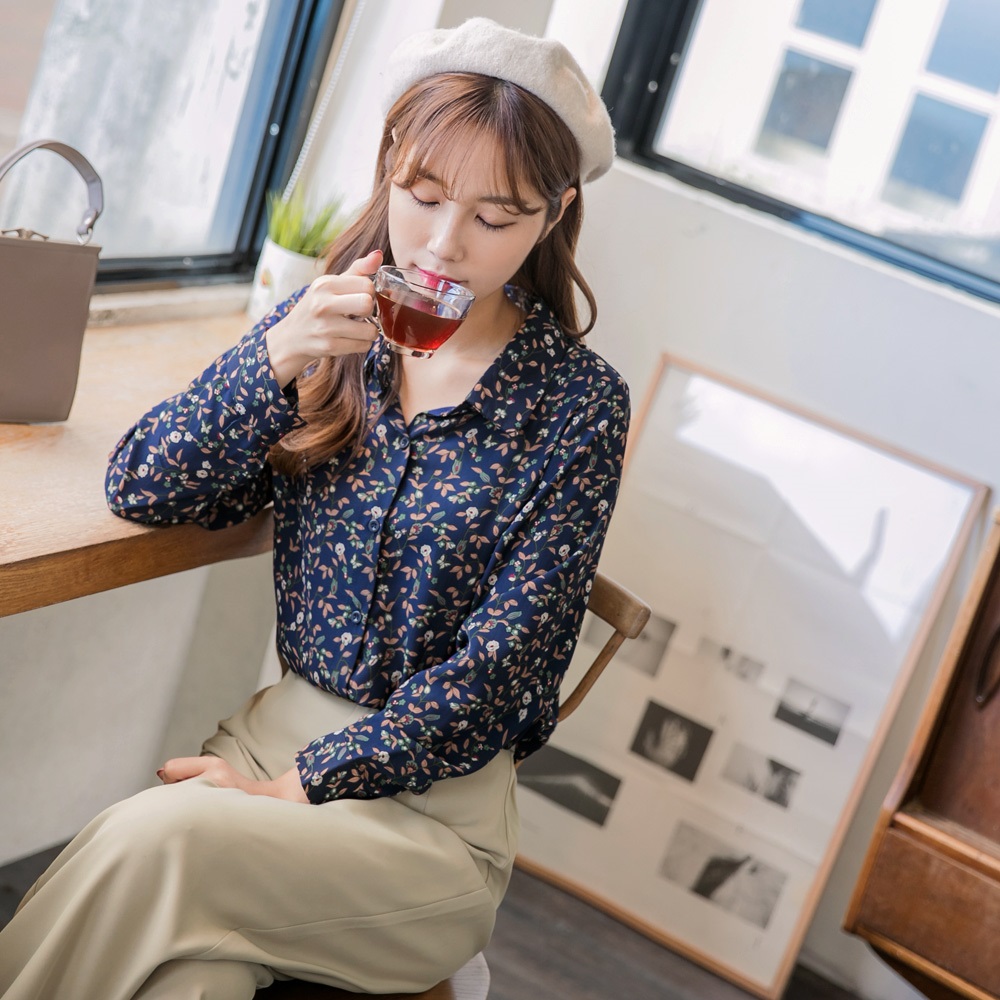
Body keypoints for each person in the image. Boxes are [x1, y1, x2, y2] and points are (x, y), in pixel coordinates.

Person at [0, 17, 628, 1000]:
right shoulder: (331, 328)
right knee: (188, 981)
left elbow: (505, 671)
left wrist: (302, 786)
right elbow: (144, 486)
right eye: (421, 197)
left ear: (554, 213)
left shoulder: (576, 405)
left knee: (161, 839)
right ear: (389, 169)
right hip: (263, 746)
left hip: (428, 822)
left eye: (494, 218)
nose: (444, 244)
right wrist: (274, 359)